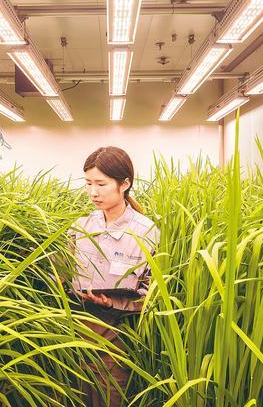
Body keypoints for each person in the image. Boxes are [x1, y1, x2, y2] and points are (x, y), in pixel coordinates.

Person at [67, 146, 160, 407]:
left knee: (110, 398)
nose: (93, 192)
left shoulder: (146, 232)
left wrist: (112, 303)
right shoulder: (80, 226)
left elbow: (153, 294)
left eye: (101, 184)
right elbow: (62, 274)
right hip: (76, 331)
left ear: (124, 184)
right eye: (88, 183)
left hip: (117, 336)